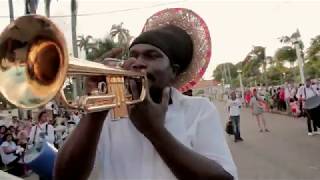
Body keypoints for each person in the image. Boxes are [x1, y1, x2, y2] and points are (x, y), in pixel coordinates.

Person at [54, 8, 237, 180]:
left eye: (151, 55)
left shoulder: (199, 110)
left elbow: (223, 177)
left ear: (173, 71)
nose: (138, 63)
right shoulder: (107, 112)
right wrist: (94, 116)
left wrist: (154, 131)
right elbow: (64, 176)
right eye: (134, 55)